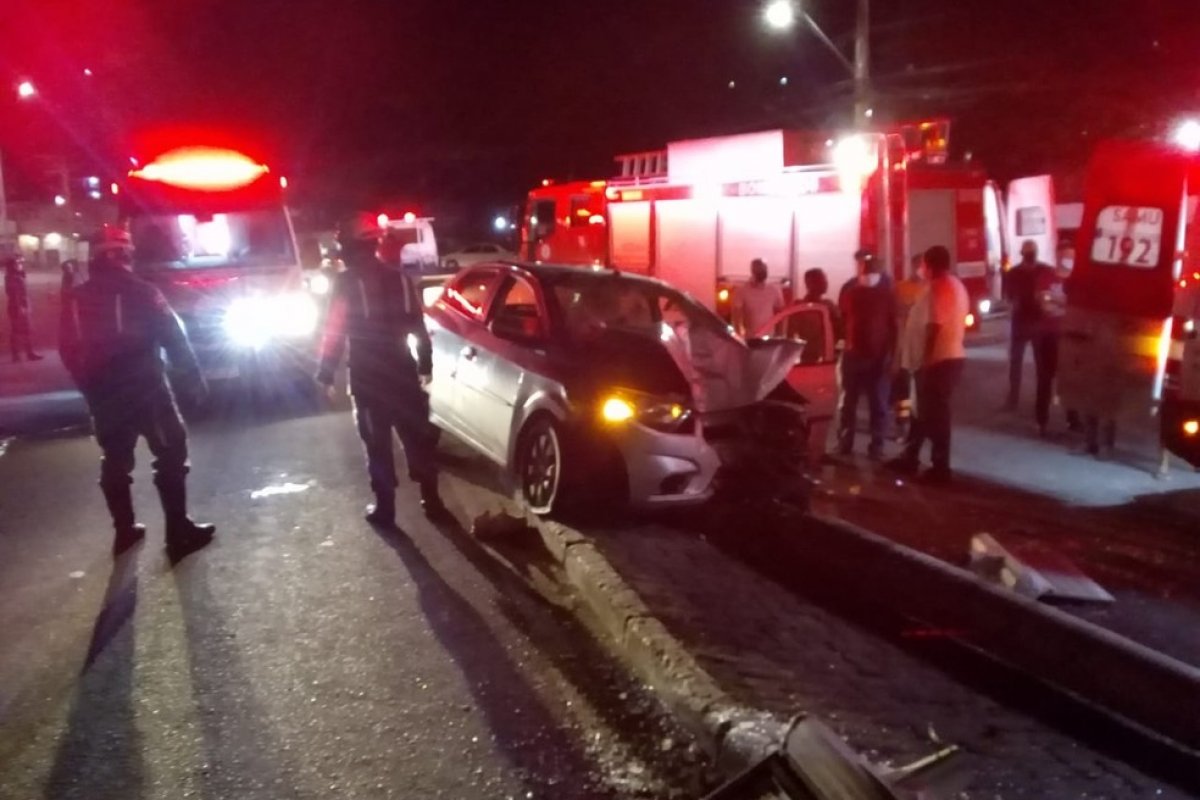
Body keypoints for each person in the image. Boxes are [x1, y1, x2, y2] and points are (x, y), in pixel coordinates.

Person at [59, 226, 214, 559]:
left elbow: (67, 347)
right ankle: (178, 531)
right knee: (171, 452)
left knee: (115, 458)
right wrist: (193, 378)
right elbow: (173, 336)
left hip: (103, 394)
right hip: (148, 391)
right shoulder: (143, 291)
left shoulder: (75, 297)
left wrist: (88, 386)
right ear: (125, 254)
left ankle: (124, 531)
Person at [315, 214, 446, 527]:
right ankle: (432, 500)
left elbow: (334, 329)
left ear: (348, 251)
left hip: (367, 378)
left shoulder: (345, 283)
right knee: (417, 438)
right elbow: (418, 324)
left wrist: (325, 371)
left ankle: (385, 508)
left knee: (377, 444)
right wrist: (425, 364)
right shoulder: (399, 277)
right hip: (403, 373)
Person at [888, 245, 968, 483]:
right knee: (920, 413)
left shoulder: (939, 288)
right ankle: (910, 457)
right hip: (938, 360)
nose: (920, 268)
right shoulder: (952, 285)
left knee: (935, 416)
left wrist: (926, 361)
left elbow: (934, 326)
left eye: (923, 263)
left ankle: (940, 467)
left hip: (938, 361)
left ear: (929, 265)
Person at [837, 252, 897, 459]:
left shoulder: (887, 295)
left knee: (878, 404)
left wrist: (892, 357)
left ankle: (877, 446)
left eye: (870, 271)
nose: (867, 275)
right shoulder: (851, 292)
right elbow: (842, 320)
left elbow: (894, 328)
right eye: (864, 270)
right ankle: (845, 443)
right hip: (853, 356)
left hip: (878, 359)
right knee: (849, 404)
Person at [1003, 240, 1060, 434]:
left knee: (1036, 366)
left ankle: (1020, 400)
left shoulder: (1036, 272)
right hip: (1026, 322)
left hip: (1035, 322)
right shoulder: (1037, 271)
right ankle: (1016, 398)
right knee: (1021, 363)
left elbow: (1010, 298)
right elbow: (1010, 297)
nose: (1030, 256)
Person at [891, 254, 929, 442]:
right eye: (916, 265)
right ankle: (902, 426)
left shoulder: (929, 288)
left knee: (922, 392)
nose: (919, 269)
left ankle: (919, 429)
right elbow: (898, 316)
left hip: (922, 347)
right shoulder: (901, 288)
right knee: (903, 391)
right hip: (905, 345)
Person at [4, 255, 43, 362]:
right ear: (13, 266)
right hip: (17, 307)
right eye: (18, 263)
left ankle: (28, 353)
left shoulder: (18, 275)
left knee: (26, 330)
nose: (21, 265)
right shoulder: (12, 277)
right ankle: (17, 355)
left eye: (21, 263)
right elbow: (14, 294)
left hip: (23, 305)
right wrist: (20, 307)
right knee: (17, 331)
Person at [733, 258, 784, 338]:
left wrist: (779, 336)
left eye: (764, 269)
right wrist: (739, 337)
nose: (762, 272)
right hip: (750, 339)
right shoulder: (742, 291)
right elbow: (736, 317)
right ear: (753, 271)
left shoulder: (774, 290)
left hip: (770, 339)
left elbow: (780, 315)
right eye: (759, 270)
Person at [801, 268, 842, 340]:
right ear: (810, 283)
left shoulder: (829, 305)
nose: (826, 283)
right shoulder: (800, 307)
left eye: (825, 280)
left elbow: (839, 328)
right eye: (822, 280)